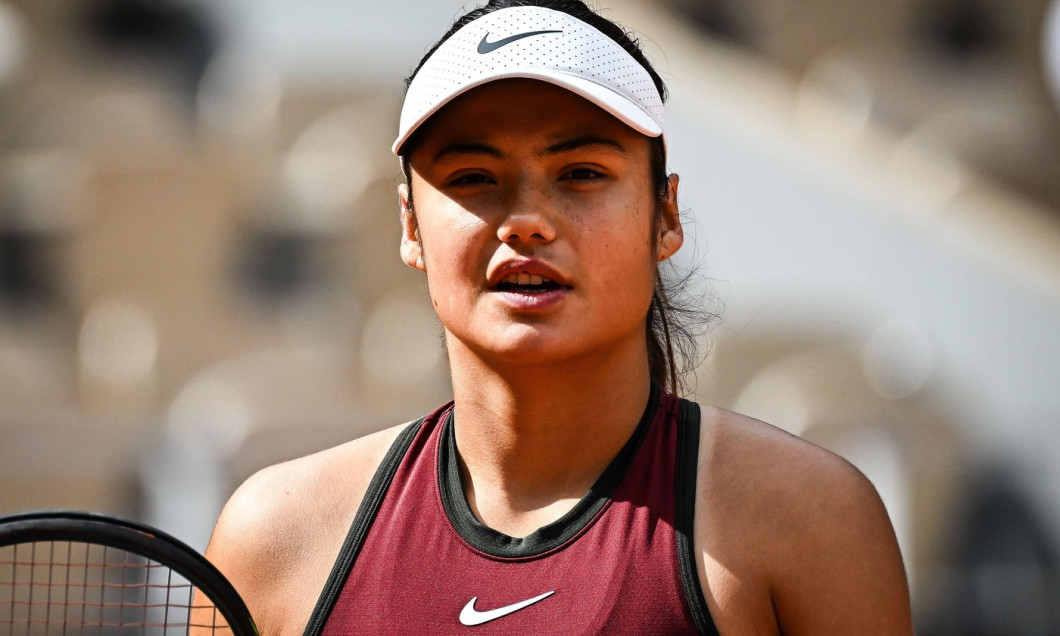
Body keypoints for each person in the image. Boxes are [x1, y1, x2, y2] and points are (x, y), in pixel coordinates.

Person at [203, 1, 914, 633]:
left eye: (580, 173)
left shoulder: (810, 517)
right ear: (410, 226)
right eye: (473, 178)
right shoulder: (275, 538)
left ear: (665, 215)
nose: (528, 223)